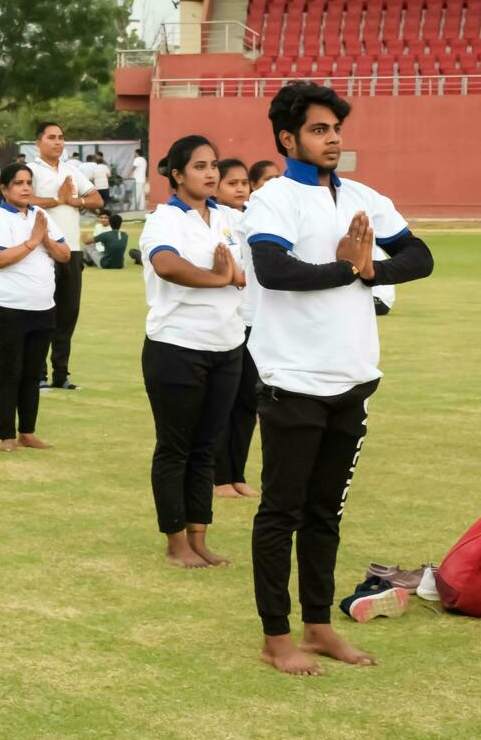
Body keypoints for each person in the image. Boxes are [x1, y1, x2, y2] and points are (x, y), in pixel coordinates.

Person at [241, 81, 433, 675]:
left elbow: (420, 256)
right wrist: (345, 268)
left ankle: (319, 626)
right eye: (320, 130)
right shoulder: (273, 200)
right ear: (287, 138)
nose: (333, 140)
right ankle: (277, 637)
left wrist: (370, 267)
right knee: (282, 512)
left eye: (336, 130)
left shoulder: (365, 197)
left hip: (352, 381)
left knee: (326, 514)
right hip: (293, 379)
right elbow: (273, 270)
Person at [139, 136, 247, 569]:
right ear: (177, 174)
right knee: (176, 447)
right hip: (177, 346)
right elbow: (166, 264)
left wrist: (233, 274)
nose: (211, 173)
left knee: (207, 447)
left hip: (227, 345)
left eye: (214, 165)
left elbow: (244, 271)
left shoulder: (228, 218)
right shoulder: (164, 219)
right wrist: (218, 278)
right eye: (200, 166)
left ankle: (199, 536)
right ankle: (175, 541)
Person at [0, 163, 71, 452]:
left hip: (43, 308)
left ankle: (28, 432)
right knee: (9, 371)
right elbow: (0, 259)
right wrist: (33, 241)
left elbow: (65, 254)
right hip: (9, 308)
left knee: (33, 372)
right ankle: (5, 435)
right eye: (18, 183)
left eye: (28, 182)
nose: (25, 188)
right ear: (5, 189)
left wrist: (44, 237)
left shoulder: (40, 215)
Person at [27, 121, 103, 390]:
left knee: (67, 315)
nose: (58, 142)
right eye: (51, 137)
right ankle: (39, 375)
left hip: (72, 251)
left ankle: (61, 374)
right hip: (43, 251)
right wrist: (56, 200)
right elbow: (23, 200)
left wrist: (75, 201)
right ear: (38, 142)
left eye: (61, 137)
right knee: (43, 314)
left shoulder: (72, 170)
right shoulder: (32, 171)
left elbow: (96, 200)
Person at [213, 158, 261, 498]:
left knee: (248, 402)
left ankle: (237, 473)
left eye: (244, 182)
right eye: (232, 183)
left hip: (255, 321)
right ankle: (218, 478)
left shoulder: (252, 217)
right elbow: (226, 270)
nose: (241, 188)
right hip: (228, 322)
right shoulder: (216, 220)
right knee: (224, 402)